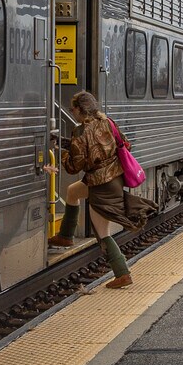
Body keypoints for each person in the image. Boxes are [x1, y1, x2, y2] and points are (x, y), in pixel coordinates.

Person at [55, 91, 153, 289]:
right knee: (73, 192)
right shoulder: (108, 122)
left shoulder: (80, 132)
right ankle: (66, 236)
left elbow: (75, 165)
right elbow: (125, 144)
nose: (71, 111)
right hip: (114, 178)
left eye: (72, 108)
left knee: (102, 232)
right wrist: (66, 143)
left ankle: (122, 273)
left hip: (100, 185)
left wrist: (63, 156)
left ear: (80, 110)